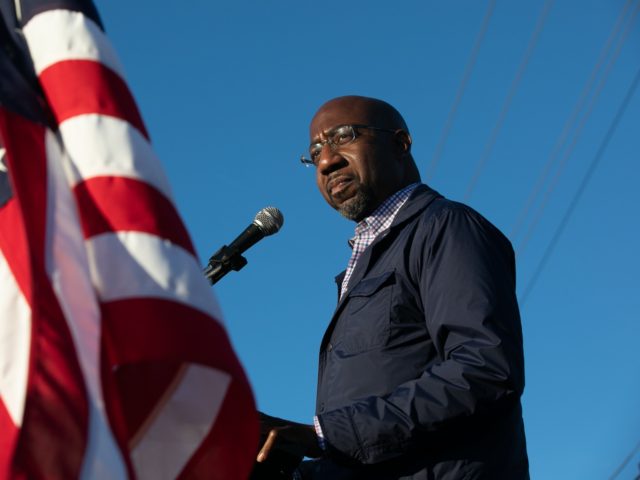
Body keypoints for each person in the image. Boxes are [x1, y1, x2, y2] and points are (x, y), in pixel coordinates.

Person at [256, 96, 529, 479]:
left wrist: (321, 436)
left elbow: (484, 370)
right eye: (315, 151)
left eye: (343, 137)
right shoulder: (364, 262)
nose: (325, 161)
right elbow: (365, 445)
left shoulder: (445, 228)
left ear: (400, 143)